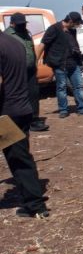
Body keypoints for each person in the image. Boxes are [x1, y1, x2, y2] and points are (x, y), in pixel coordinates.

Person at [0, 29, 50, 218]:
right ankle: (34, 200)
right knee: (20, 156)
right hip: (22, 108)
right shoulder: (14, 43)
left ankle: (35, 204)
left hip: (7, 113)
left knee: (18, 158)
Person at [41, 12, 83, 118]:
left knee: (78, 86)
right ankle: (63, 110)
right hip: (60, 64)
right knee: (61, 87)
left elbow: (74, 44)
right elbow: (43, 44)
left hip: (73, 63)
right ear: (70, 21)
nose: (78, 25)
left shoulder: (72, 30)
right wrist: (36, 60)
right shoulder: (54, 29)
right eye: (76, 23)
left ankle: (82, 108)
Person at [6, 13, 49, 132]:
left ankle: (34, 120)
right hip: (16, 72)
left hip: (30, 70)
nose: (22, 26)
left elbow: (30, 49)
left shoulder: (26, 33)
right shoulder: (8, 35)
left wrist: (34, 63)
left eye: (24, 24)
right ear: (12, 24)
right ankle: (18, 122)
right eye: (19, 24)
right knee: (18, 97)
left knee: (33, 94)